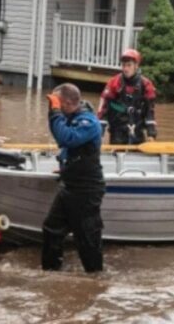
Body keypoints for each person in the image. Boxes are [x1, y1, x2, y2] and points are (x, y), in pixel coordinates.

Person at [42, 83, 106, 273]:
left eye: (57, 103)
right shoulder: (71, 117)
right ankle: (50, 272)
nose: (56, 108)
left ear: (68, 103)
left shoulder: (89, 123)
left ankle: (95, 280)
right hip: (69, 186)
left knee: (87, 239)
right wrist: (65, 167)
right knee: (51, 228)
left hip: (87, 190)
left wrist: (54, 113)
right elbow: (64, 144)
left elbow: (66, 139)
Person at [97, 48, 158, 145]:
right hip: (117, 133)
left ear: (136, 66)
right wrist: (100, 134)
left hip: (137, 133)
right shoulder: (113, 83)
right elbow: (103, 110)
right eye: (124, 65)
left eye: (129, 65)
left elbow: (150, 112)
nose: (125, 69)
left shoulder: (146, 85)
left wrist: (151, 134)